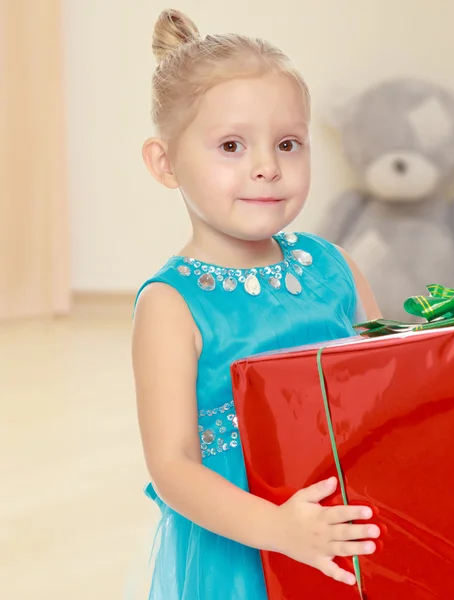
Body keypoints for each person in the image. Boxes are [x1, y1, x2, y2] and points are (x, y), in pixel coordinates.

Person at [132, 9, 382, 599]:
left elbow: (383, 386)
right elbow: (172, 468)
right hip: (242, 542)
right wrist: (276, 529)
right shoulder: (172, 305)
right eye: (232, 145)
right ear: (164, 163)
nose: (267, 166)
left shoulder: (334, 265)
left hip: (345, 515)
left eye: (288, 143)